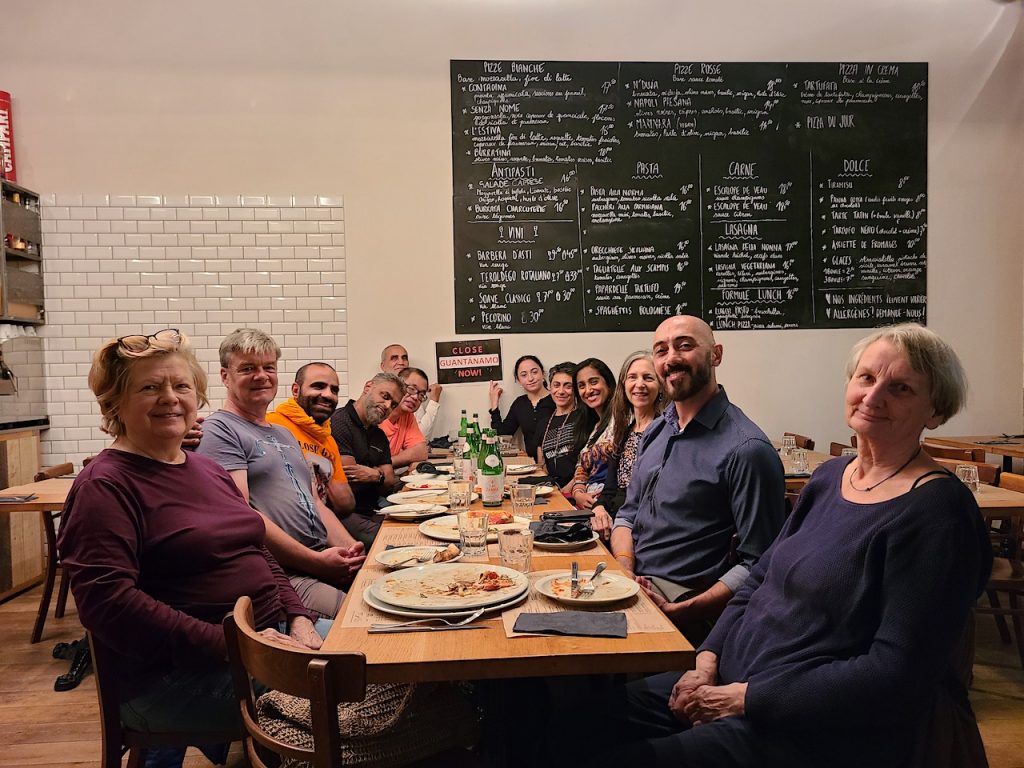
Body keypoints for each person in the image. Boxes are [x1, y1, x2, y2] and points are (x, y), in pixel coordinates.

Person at [602, 323, 992, 768]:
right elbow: (759, 577)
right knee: (570, 720)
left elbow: (894, 672)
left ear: (935, 411)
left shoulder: (938, 513)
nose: (873, 396)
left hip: (807, 724)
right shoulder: (830, 477)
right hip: (727, 679)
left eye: (900, 387)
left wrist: (745, 698)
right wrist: (706, 659)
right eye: (865, 378)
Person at [57, 329, 327, 766]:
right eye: (150, 388)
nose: (170, 398)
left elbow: (254, 549)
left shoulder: (207, 469)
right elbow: (109, 604)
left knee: (390, 656)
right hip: (178, 675)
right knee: (359, 685)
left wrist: (298, 616)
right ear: (115, 403)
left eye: (181, 386)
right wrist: (237, 645)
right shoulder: (105, 486)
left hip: (265, 638)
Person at [610, 315, 785, 642]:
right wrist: (624, 568)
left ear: (715, 355)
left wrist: (686, 609)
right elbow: (628, 515)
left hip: (689, 608)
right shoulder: (657, 430)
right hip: (633, 585)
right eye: (661, 350)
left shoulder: (747, 450)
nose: (671, 358)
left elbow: (760, 562)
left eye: (685, 346)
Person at [197, 329, 365, 619]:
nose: (261, 376)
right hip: (283, 575)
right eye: (248, 368)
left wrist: (354, 554)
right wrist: (316, 562)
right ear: (225, 376)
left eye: (269, 367)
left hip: (318, 559)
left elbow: (315, 503)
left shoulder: (284, 434)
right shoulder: (220, 431)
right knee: (361, 619)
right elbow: (241, 517)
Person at [590, 351, 666, 539]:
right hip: (614, 518)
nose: (640, 384)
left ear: (661, 386)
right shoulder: (623, 431)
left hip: (644, 527)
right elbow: (610, 489)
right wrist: (599, 508)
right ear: (624, 385)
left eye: (648, 378)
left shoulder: (666, 432)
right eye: (633, 377)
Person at [266, 361, 355, 516]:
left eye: (334, 390)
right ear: (296, 390)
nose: (328, 395)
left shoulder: (328, 439)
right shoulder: (271, 424)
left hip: (321, 522)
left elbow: (346, 505)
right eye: (318, 386)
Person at [330, 372, 404, 546]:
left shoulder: (378, 434)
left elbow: (389, 482)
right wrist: (380, 475)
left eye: (393, 404)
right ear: (368, 387)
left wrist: (374, 475)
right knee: (396, 540)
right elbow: (351, 479)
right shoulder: (339, 422)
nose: (387, 406)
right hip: (344, 515)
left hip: (374, 508)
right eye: (385, 396)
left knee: (415, 526)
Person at [567, 357, 617, 506]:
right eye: (581, 386)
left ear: (608, 383)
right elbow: (581, 467)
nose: (588, 390)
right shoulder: (593, 426)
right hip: (586, 504)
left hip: (611, 504)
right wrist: (578, 493)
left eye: (594, 382)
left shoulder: (624, 419)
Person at [487, 354, 555, 459]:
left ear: (543, 374)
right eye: (524, 375)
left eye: (534, 372)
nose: (530, 378)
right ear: (518, 380)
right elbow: (503, 433)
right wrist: (494, 403)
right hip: (531, 464)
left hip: (556, 462)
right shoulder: (519, 404)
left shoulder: (557, 399)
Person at [537, 362, 589, 488]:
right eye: (556, 385)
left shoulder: (586, 418)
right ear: (550, 387)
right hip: (552, 489)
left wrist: (566, 491)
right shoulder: (544, 423)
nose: (561, 391)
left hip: (578, 488)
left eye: (568, 386)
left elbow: (588, 465)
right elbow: (542, 465)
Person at [381, 343, 442, 438]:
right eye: (394, 358)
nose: (401, 362)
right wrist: (434, 401)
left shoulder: (414, 395)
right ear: (383, 366)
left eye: (404, 358)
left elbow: (419, 436)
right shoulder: (377, 395)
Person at [379, 367, 430, 471]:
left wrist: (388, 463)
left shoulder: (407, 415)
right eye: (411, 389)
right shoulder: (376, 413)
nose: (415, 397)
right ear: (397, 386)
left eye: (421, 394)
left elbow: (421, 451)